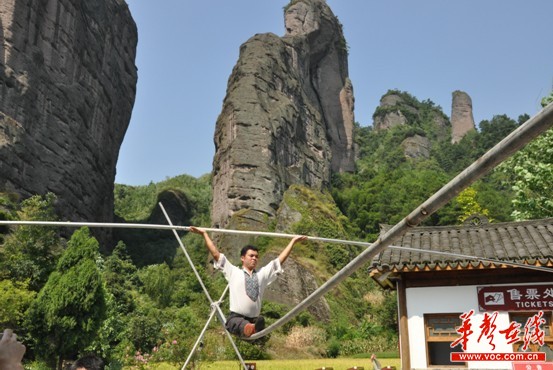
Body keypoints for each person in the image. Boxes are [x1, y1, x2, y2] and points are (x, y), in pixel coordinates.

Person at [189, 226, 307, 338]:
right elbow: (216, 255)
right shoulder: (233, 272)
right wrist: (204, 234)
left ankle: (254, 330)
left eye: (256, 256)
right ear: (242, 258)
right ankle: (250, 329)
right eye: (251, 256)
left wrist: (293, 242)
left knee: (261, 328)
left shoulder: (262, 274)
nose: (254, 258)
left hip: (254, 320)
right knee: (238, 324)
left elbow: (279, 261)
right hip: (236, 319)